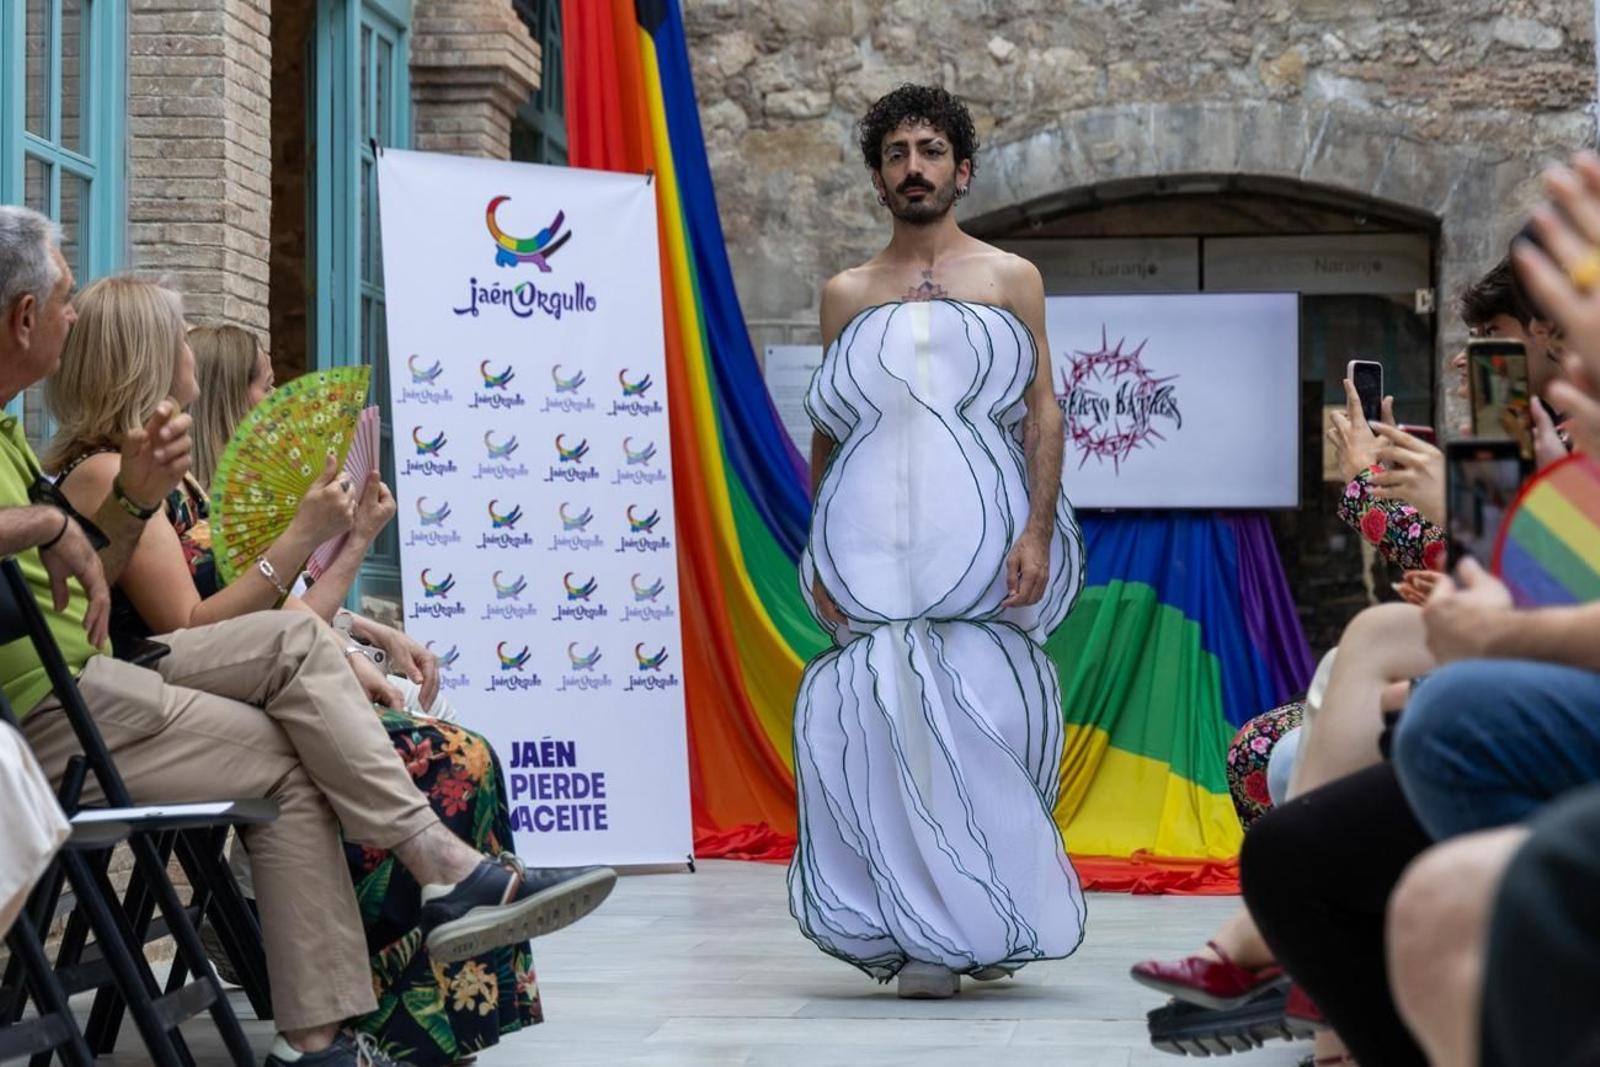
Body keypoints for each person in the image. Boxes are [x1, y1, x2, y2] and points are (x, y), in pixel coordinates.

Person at [0, 205, 610, 1067]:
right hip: (65, 711)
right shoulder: (83, 464)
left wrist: (343, 586)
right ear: (25, 317)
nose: (73, 312)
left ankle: (338, 1019)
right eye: (64, 297)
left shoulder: (29, 445)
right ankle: (420, 908)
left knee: (310, 735)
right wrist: (51, 524)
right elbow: (190, 618)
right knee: (364, 737)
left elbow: (144, 587)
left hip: (110, 684)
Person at [788, 83, 1086, 1000]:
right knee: (888, 720)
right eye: (895, 153)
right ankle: (920, 929)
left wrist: (1036, 529)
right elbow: (833, 435)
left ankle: (986, 914)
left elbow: (1043, 412)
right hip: (877, 551)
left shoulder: (1010, 278)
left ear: (961, 168)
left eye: (929, 150)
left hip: (986, 543)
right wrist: (821, 553)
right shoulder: (846, 292)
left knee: (986, 716)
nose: (912, 167)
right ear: (878, 176)